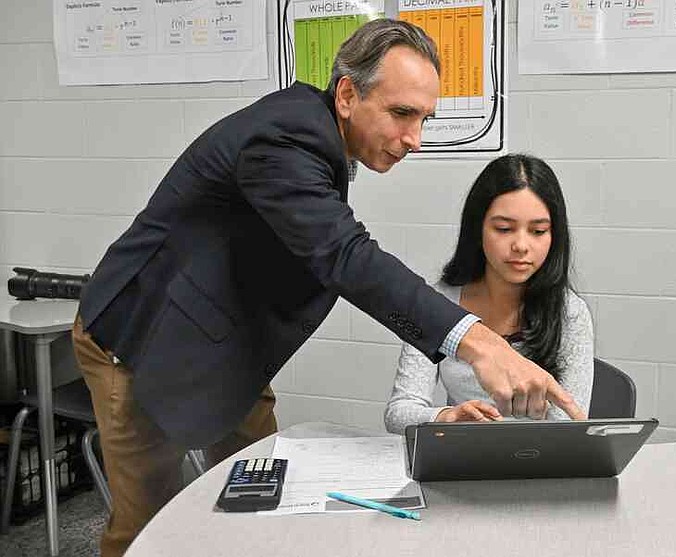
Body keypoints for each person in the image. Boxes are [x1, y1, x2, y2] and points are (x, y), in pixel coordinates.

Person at [71, 20, 583, 556]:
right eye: (401, 114)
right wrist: (479, 343)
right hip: (142, 338)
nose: (415, 139)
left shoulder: (313, 137)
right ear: (346, 93)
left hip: (229, 342)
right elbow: (343, 255)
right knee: (150, 529)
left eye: (424, 118)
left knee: (258, 496)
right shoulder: (283, 138)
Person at [385, 154, 593, 433]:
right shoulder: (438, 304)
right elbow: (399, 411)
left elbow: (573, 421)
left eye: (538, 231)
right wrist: (447, 416)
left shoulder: (570, 312)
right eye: (504, 229)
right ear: (477, 229)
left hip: (539, 462)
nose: (521, 245)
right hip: (462, 459)